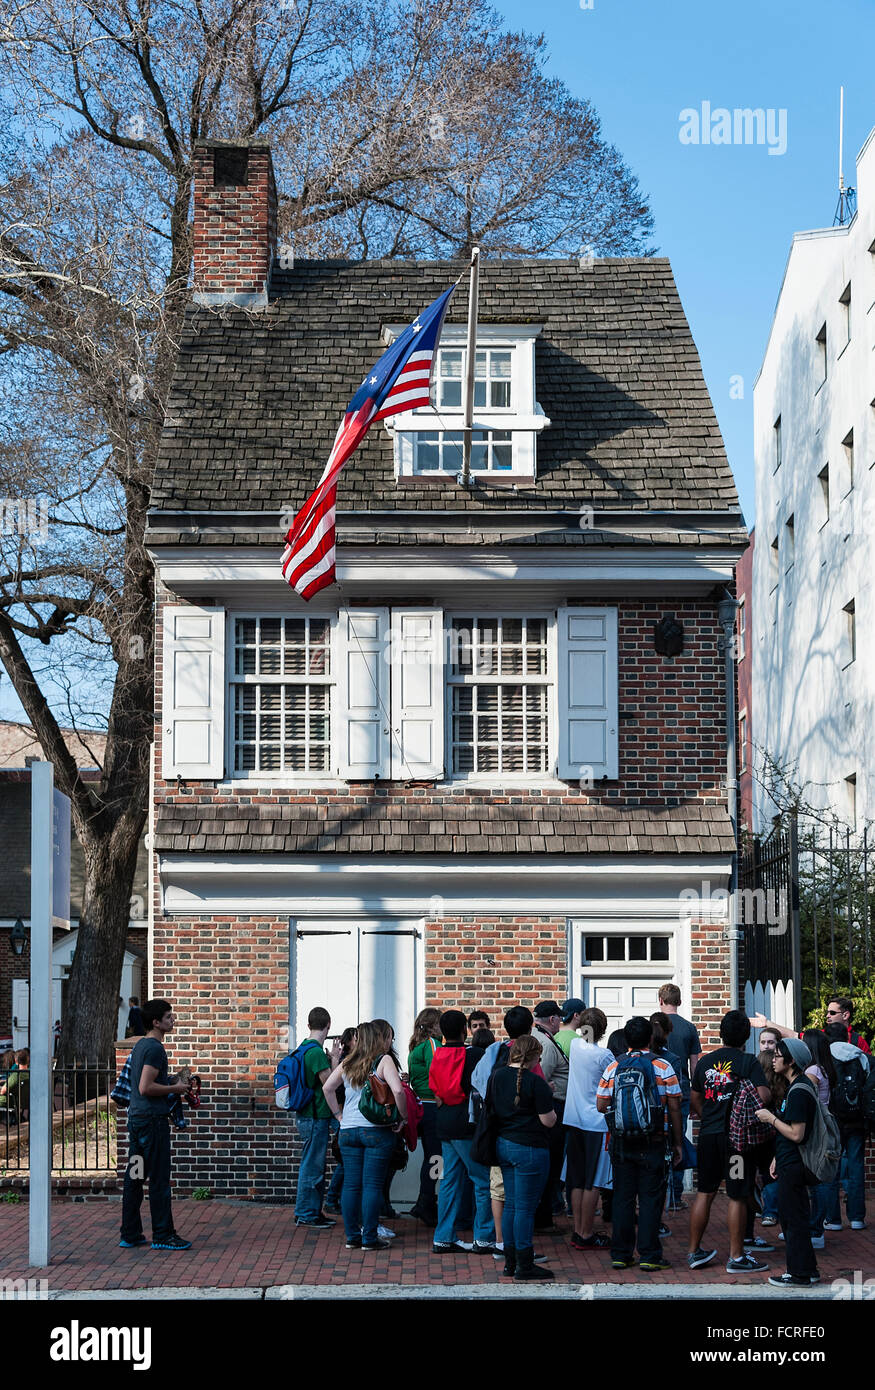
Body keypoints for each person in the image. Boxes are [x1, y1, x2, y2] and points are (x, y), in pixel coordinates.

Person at [687, 1009, 771, 1273]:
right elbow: (764, 1097)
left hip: (709, 1138)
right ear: (747, 1036)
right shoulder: (748, 1062)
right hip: (736, 1142)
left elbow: (695, 1097)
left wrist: (708, 1115)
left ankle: (693, 1251)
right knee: (736, 1194)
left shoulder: (704, 1062)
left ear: (721, 1033)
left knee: (705, 1192)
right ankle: (736, 1257)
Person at [597, 1015, 683, 1273]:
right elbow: (675, 1107)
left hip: (621, 1143)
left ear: (626, 1039)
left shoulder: (614, 1067)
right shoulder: (663, 1066)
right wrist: (678, 1143)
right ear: (650, 1038)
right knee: (650, 1199)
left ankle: (621, 1255)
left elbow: (601, 1104)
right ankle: (649, 1255)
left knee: (623, 1198)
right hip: (654, 1141)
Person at [322, 1019, 407, 1251]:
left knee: (351, 1185)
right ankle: (369, 1238)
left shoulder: (349, 1062)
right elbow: (398, 1090)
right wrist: (403, 1117)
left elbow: (327, 1088)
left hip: (348, 1130)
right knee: (372, 1185)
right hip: (376, 1131)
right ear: (379, 1039)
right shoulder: (383, 1060)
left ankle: (352, 1237)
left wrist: (339, 1115)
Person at [119, 999, 193, 1251]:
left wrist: (172, 1078)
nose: (173, 1020)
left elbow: (145, 1081)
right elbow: (146, 1087)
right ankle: (163, 1234)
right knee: (159, 1178)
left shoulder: (141, 1046)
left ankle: (130, 1233)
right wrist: (177, 1087)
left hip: (137, 1121)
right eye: (169, 1017)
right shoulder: (154, 1049)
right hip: (152, 1123)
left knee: (135, 1177)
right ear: (156, 1022)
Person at [429, 1009, 498, 1255]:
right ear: (464, 1030)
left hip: (444, 1122)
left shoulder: (437, 1055)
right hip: (467, 1125)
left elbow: (434, 1090)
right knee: (482, 1181)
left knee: (448, 1182)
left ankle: (444, 1236)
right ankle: (484, 1237)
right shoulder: (476, 1054)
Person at [755, 1038, 821, 1288]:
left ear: (791, 1061)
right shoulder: (796, 1087)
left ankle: (798, 1274)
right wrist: (775, 1157)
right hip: (788, 1161)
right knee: (796, 1218)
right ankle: (808, 1269)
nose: (773, 1058)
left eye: (778, 1055)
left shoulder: (799, 1091)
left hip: (794, 1165)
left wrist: (770, 1118)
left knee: (793, 1221)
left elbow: (797, 1134)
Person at [492, 1034, 557, 1281]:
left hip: (503, 1144)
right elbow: (548, 1120)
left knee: (511, 1204)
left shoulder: (497, 1076)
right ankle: (524, 1263)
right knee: (526, 1209)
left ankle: (510, 1261)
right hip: (530, 1147)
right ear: (532, 1057)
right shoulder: (536, 1083)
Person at [563, 1006, 613, 1251]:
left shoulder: (574, 1046)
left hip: (573, 1119)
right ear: (602, 1030)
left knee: (576, 1178)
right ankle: (586, 1232)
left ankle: (577, 1231)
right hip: (596, 1122)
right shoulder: (604, 1056)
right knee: (593, 1180)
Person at [292, 1006, 341, 1229]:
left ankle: (310, 1211)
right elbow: (330, 1084)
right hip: (314, 1117)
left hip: (308, 1116)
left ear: (308, 1024)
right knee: (313, 1167)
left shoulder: (303, 1048)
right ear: (328, 1025)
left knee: (312, 1165)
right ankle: (307, 1213)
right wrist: (335, 1060)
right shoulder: (314, 1053)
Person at [657, 984, 701, 1208]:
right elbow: (695, 1067)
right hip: (681, 1090)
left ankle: (655, 1192)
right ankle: (674, 1196)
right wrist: (695, 1095)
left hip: (654, 1089)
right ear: (680, 1002)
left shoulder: (651, 1025)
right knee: (677, 1139)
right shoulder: (689, 1028)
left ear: (660, 1000)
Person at [823, 1019, 869, 1231]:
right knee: (857, 1166)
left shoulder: (826, 1056)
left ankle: (833, 1219)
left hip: (833, 1119)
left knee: (832, 1167)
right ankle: (857, 1217)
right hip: (858, 1118)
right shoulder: (860, 1057)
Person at [532, 1000, 570, 1230]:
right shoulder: (544, 1044)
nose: (561, 1022)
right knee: (551, 1164)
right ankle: (543, 1217)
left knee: (552, 1164)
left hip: (554, 1107)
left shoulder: (540, 1039)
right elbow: (540, 1080)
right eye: (559, 1018)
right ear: (553, 1019)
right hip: (552, 1110)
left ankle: (545, 1213)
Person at [406, 1007, 443, 1227]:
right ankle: (426, 1202)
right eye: (440, 1023)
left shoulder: (415, 1047)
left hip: (421, 1105)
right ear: (432, 1026)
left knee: (431, 1156)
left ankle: (425, 1200)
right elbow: (436, 1074)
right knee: (435, 1157)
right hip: (432, 1105)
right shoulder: (431, 1045)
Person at [801, 1028, 835, 1250]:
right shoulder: (825, 1067)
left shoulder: (813, 1070)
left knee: (816, 1181)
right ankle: (817, 1227)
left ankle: (815, 1229)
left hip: (816, 1129)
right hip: (826, 1125)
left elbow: (807, 1097)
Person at [324, 1026, 356, 1215]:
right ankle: (332, 1199)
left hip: (345, 1113)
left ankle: (335, 1199)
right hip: (343, 1113)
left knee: (346, 1161)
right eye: (355, 1038)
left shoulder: (350, 1060)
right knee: (345, 1161)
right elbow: (336, 1088)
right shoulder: (345, 1061)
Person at [757, 1047, 787, 1228]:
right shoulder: (784, 1086)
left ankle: (768, 1212)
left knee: (765, 1174)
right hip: (780, 1134)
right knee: (777, 1174)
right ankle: (774, 1212)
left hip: (762, 1136)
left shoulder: (758, 1088)